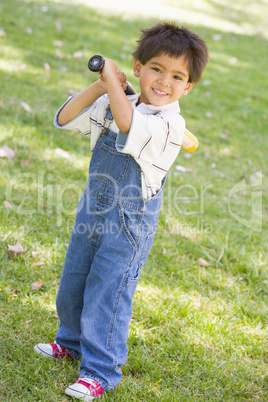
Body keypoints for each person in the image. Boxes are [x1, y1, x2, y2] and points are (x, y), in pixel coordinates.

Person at [34, 22, 208, 400]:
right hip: (91, 211)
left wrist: (114, 84)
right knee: (74, 282)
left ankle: (100, 371)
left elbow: (129, 125)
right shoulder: (119, 100)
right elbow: (64, 118)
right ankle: (71, 341)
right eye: (157, 69)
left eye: (177, 76)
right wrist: (101, 85)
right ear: (139, 67)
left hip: (128, 225)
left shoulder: (170, 125)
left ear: (188, 86)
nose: (164, 82)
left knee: (108, 293)